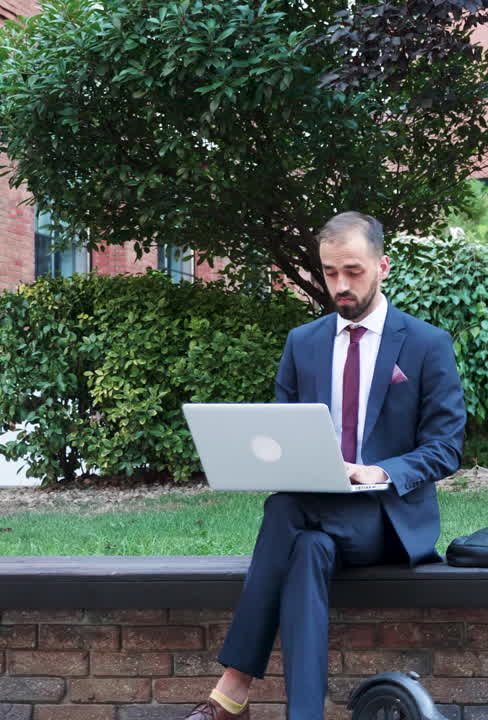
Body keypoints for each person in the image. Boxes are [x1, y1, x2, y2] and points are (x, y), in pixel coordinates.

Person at [185, 211, 466, 720]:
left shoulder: (427, 344)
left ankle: (232, 687)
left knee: (285, 511)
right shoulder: (304, 343)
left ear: (382, 266)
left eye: (353, 271)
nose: (340, 284)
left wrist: (376, 472)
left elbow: (446, 447)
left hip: (387, 518)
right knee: (305, 546)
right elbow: (278, 440)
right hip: (318, 515)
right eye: (330, 272)